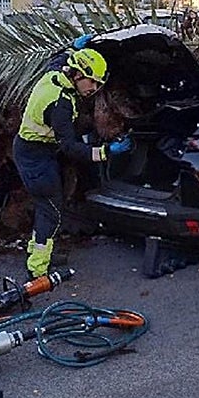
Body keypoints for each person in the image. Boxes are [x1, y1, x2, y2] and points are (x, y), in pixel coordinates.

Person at [13, 48, 132, 278]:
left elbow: (56, 58)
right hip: (35, 158)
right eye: (93, 83)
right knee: (51, 210)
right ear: (78, 74)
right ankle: (37, 268)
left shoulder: (55, 75)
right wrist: (107, 151)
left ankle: (38, 253)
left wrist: (74, 47)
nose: (94, 89)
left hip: (31, 150)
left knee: (46, 206)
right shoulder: (60, 104)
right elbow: (70, 147)